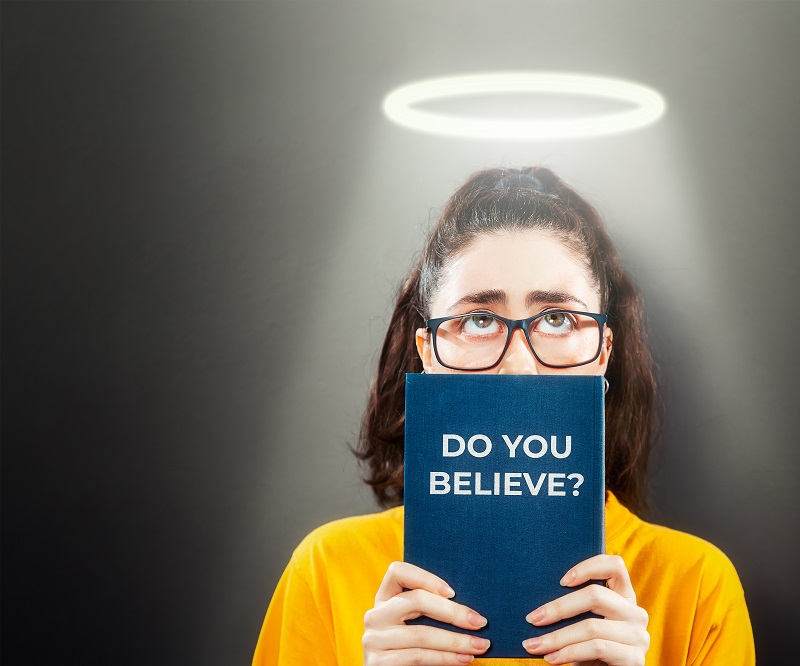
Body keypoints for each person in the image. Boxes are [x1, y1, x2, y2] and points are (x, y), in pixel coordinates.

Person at [253, 167, 755, 665]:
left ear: (603, 352)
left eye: (557, 318)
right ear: (427, 352)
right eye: (479, 319)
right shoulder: (327, 569)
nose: (519, 361)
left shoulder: (696, 585)